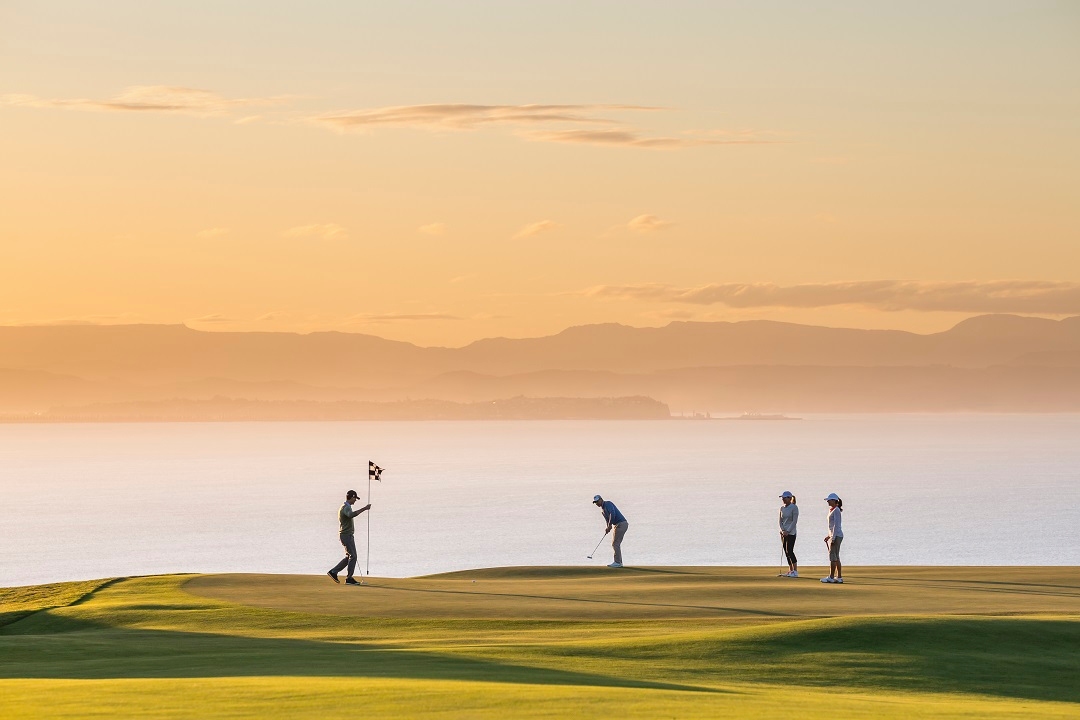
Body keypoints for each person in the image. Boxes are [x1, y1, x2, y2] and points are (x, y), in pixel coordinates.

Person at [328, 490, 371, 585]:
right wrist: (365, 508)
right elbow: (351, 515)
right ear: (351, 497)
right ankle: (349, 578)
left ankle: (334, 572)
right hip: (346, 535)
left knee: (349, 557)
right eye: (355, 498)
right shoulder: (346, 508)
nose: (355, 500)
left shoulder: (345, 507)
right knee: (353, 556)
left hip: (346, 535)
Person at [592, 495, 628, 568]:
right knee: (615, 543)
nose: (597, 503)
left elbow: (612, 514)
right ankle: (619, 562)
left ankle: (618, 562)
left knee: (615, 543)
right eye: (595, 502)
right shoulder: (602, 511)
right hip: (617, 525)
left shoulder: (608, 504)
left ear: (601, 499)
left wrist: (609, 525)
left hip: (621, 523)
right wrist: (608, 527)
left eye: (597, 501)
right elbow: (608, 520)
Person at [822, 493, 844, 584]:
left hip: (836, 536)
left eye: (829, 500)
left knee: (833, 557)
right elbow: (832, 526)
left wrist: (833, 538)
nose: (827, 501)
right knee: (836, 557)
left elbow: (836, 525)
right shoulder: (832, 510)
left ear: (834, 501)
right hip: (835, 535)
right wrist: (829, 536)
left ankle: (831, 577)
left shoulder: (836, 510)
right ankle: (839, 577)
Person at [778, 490, 799, 577]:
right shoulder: (782, 508)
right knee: (786, 552)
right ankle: (790, 570)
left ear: (790, 498)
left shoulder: (794, 507)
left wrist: (788, 531)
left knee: (789, 551)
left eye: (784, 498)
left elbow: (794, 521)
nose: (783, 499)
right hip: (783, 533)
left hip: (791, 533)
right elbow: (780, 520)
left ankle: (795, 571)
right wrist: (783, 530)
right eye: (782, 498)